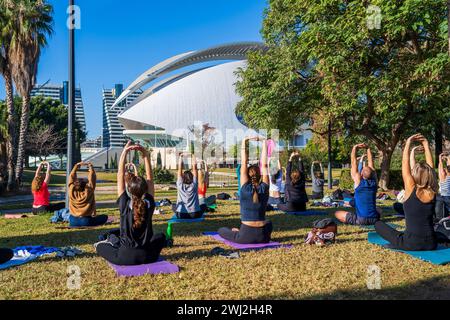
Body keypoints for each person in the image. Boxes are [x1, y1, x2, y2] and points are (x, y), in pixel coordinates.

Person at [95, 142, 167, 265]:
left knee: (99, 246)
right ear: (145, 190)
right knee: (161, 237)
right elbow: (150, 178)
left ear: (129, 190)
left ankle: (113, 241)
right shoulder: (149, 203)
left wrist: (124, 152)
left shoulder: (124, 203)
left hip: (124, 257)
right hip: (147, 256)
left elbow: (120, 175)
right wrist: (145, 155)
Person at [375, 134, 438, 251]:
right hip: (431, 243)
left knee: (378, 225)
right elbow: (431, 169)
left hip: (411, 243)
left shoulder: (410, 188)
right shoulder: (433, 191)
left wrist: (408, 142)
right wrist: (426, 145)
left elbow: (405, 163)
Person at [218, 136, 272, 244]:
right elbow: (265, 163)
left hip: (245, 236)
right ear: (260, 175)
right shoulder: (265, 187)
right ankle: (239, 231)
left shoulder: (244, 188)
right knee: (269, 223)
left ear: (247, 175)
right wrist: (264, 142)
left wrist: (244, 141)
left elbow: (244, 162)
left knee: (221, 230)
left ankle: (238, 232)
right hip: (264, 237)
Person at [335, 144, 380, 225]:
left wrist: (354, 148)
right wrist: (368, 148)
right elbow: (371, 164)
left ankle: (355, 220)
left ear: (361, 174)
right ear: (372, 174)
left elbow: (353, 162)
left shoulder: (358, 181)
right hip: (375, 219)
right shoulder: (374, 183)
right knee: (379, 209)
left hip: (361, 220)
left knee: (337, 213)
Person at [68, 162, 108, 227]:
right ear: (85, 185)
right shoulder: (89, 191)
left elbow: (71, 178)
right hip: (86, 221)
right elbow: (92, 179)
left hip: (73, 221)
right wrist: (91, 168)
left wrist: (76, 166)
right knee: (104, 217)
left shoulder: (71, 191)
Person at [392, 145, 423, 217]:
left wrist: (412, 149)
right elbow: (412, 164)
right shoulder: (426, 183)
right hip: (422, 210)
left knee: (396, 205)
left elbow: (408, 162)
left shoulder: (411, 183)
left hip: (411, 210)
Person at [172, 152, 203, 219]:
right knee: (203, 205)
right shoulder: (194, 184)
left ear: (183, 178)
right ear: (192, 177)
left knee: (173, 206)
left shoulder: (180, 184)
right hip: (194, 214)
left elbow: (179, 169)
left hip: (181, 214)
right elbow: (194, 168)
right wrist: (192, 155)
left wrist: (181, 156)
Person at [436, 153, 450, 221]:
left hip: (445, 197)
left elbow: (440, 168)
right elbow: (448, 167)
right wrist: (448, 159)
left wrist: (440, 159)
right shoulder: (448, 177)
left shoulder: (443, 178)